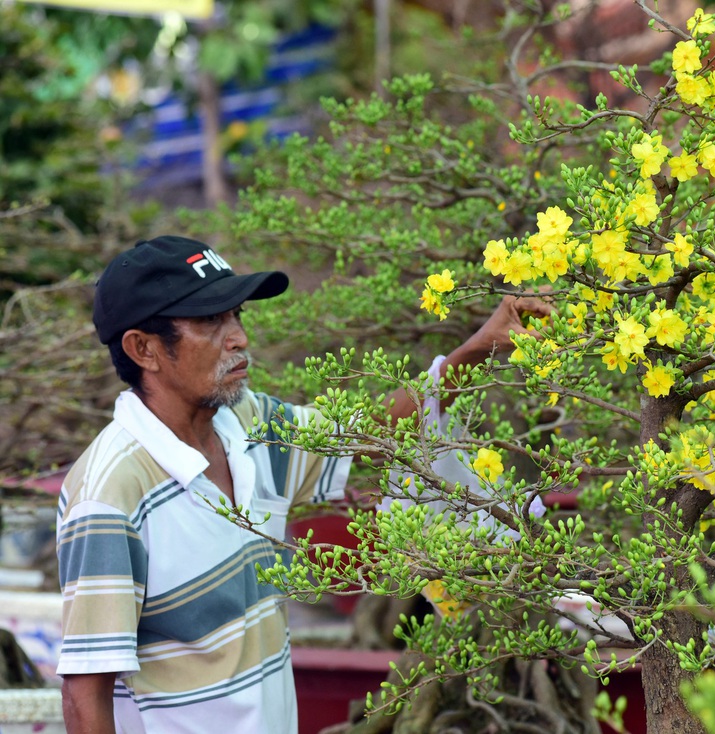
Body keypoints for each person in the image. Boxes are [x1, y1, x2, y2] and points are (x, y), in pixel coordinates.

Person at [56, 235, 548, 733]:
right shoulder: (109, 493)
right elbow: (85, 692)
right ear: (144, 349)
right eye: (210, 321)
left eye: (236, 316)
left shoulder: (248, 424)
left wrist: (479, 348)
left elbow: (370, 431)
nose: (238, 338)